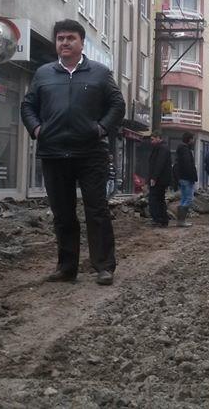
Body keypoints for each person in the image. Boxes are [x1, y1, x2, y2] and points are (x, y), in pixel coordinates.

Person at [21, 19, 125, 285]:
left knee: (96, 210)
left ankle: (104, 267)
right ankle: (67, 268)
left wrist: (101, 128)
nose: (64, 43)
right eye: (60, 39)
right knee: (63, 213)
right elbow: (28, 106)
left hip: (90, 153)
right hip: (54, 153)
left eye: (70, 38)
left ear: (81, 42)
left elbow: (117, 104)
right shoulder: (43, 74)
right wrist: (37, 130)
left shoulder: (100, 73)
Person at [146, 130, 172, 227]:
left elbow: (159, 164)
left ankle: (158, 219)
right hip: (161, 179)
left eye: (152, 139)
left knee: (154, 199)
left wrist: (154, 178)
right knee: (159, 199)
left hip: (159, 180)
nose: (151, 142)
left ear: (158, 138)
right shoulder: (162, 148)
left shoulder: (162, 149)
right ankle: (162, 220)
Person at [174, 132, 198, 227]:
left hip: (182, 178)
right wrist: (192, 177)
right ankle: (181, 221)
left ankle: (180, 220)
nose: (193, 141)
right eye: (192, 139)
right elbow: (188, 165)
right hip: (186, 178)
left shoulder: (181, 149)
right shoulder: (185, 150)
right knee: (188, 198)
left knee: (184, 198)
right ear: (189, 139)